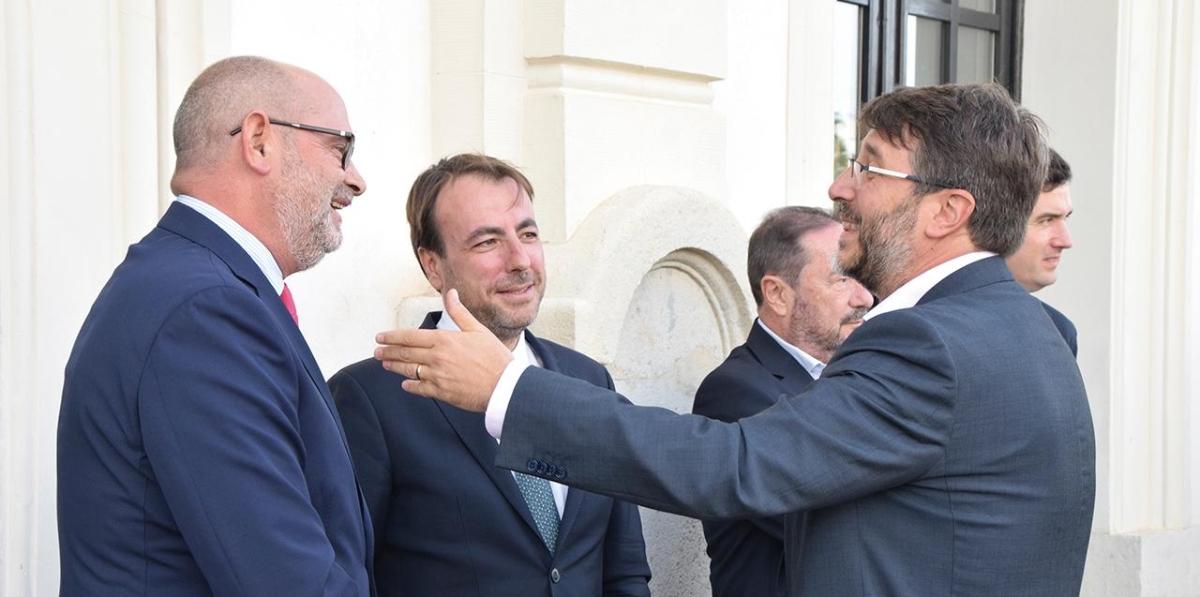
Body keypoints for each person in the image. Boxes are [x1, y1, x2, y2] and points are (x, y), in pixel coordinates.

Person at [377, 83, 1096, 596]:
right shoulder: (1035, 327)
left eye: (867, 166)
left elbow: (736, 464)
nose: (840, 187)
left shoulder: (927, 345)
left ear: (947, 209)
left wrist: (505, 388)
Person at [58, 56, 372, 596]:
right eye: (340, 149)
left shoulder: (196, 286)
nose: (356, 181)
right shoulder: (206, 309)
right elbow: (287, 580)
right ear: (258, 141)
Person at [328, 153, 651, 597]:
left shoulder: (589, 380)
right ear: (433, 265)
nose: (520, 261)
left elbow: (625, 572)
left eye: (529, 234)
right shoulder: (368, 397)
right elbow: (347, 575)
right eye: (487, 242)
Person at [691, 206, 871, 597]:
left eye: (860, 276)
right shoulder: (735, 392)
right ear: (776, 294)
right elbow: (827, 523)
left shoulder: (860, 374)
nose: (864, 296)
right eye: (841, 279)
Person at [1005, 148, 1078, 353]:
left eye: (1065, 218)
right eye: (1046, 220)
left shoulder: (1058, 332)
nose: (1065, 241)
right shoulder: (928, 322)